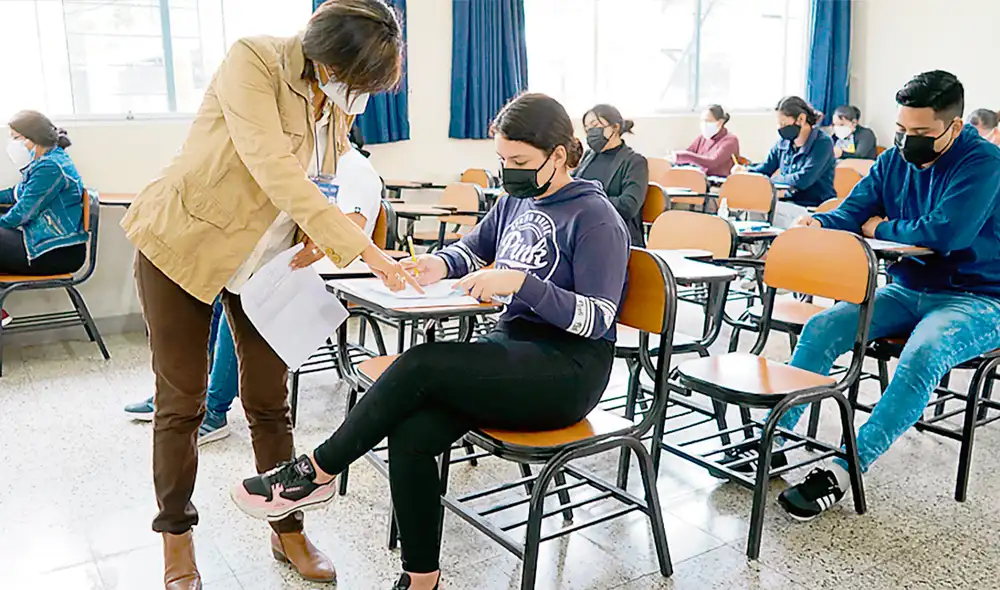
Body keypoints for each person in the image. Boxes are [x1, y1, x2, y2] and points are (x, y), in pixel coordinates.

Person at [230, 93, 630, 590]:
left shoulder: (596, 217)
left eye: (520, 162)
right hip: (511, 354)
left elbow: (598, 317)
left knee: (422, 363)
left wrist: (520, 284)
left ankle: (318, 470)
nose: (509, 172)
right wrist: (433, 265)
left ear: (560, 155)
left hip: (569, 370)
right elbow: (471, 249)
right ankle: (422, 580)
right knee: (414, 433)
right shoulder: (514, 201)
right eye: (502, 161)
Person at [118, 1, 418, 587]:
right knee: (182, 401)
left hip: (265, 265)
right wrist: (365, 250)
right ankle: (176, 537)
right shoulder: (252, 58)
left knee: (268, 399)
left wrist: (313, 235)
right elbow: (273, 167)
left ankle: (287, 528)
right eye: (353, 82)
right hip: (186, 242)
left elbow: (321, 176)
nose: (354, 96)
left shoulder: (334, 96)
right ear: (326, 54)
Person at [770, 71, 1000, 521]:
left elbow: (948, 233)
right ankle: (774, 439)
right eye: (901, 129)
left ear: (954, 127)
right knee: (822, 327)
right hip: (907, 287)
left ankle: (844, 467)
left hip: (977, 297)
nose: (907, 140)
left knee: (924, 352)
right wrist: (820, 222)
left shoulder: (984, 163)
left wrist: (881, 227)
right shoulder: (896, 158)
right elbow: (857, 207)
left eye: (921, 133)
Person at [122, 145, 384, 445]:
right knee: (217, 289)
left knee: (244, 305)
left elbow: (351, 232)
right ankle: (187, 396)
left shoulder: (355, 170)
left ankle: (215, 410)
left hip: (322, 273)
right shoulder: (303, 161)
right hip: (285, 262)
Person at [0, 111, 88, 328]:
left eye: (16, 138)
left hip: (57, 252)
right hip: (44, 243)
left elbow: (21, 214)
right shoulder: (46, 161)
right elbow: (17, 194)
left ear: (32, 138)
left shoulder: (50, 167)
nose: (13, 144)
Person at [734, 96, 836, 228]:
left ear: (801, 119)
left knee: (764, 209)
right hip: (787, 203)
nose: (780, 128)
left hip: (812, 208)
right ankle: (761, 248)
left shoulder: (822, 143)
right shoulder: (783, 143)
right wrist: (745, 172)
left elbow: (803, 179)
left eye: (784, 123)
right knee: (753, 207)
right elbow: (766, 168)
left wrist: (772, 181)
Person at [572, 104, 648, 246]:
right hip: (583, 231)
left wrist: (587, 203)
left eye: (595, 126)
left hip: (615, 236)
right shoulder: (588, 156)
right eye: (587, 129)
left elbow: (628, 206)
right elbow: (572, 187)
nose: (591, 133)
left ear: (615, 127)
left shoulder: (634, 161)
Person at [670, 104, 741, 178]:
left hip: (718, 184)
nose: (704, 124)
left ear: (720, 122)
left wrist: (683, 156)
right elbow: (690, 151)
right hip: (700, 180)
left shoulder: (730, 141)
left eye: (707, 121)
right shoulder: (703, 138)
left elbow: (713, 162)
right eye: (702, 121)